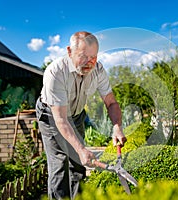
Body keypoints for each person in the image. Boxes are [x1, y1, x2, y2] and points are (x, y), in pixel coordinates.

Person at [35, 31, 127, 199]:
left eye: (93, 57)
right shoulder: (56, 72)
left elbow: (111, 103)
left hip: (76, 114)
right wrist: (81, 149)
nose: (89, 63)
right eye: (83, 56)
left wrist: (117, 127)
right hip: (52, 116)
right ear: (69, 51)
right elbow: (61, 120)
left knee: (78, 164)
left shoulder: (98, 70)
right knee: (60, 164)